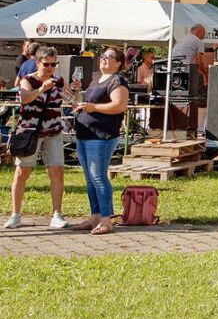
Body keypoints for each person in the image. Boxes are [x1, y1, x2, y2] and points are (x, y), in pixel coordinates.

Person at [5, 47, 68, 230]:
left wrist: (76, 92)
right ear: (38, 63)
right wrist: (41, 89)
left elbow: (71, 99)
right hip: (30, 132)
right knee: (22, 172)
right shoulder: (28, 79)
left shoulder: (59, 80)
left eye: (53, 64)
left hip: (53, 131)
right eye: (46, 64)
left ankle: (57, 214)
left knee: (57, 171)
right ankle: (15, 214)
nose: (50, 68)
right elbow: (24, 98)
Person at [71, 47, 130, 234]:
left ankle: (106, 219)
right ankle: (95, 216)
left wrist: (93, 107)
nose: (103, 59)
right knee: (89, 180)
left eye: (108, 57)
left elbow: (119, 106)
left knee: (98, 177)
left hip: (101, 135)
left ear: (118, 62)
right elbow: (91, 105)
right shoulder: (96, 80)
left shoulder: (117, 80)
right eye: (102, 56)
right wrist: (81, 106)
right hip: (84, 134)